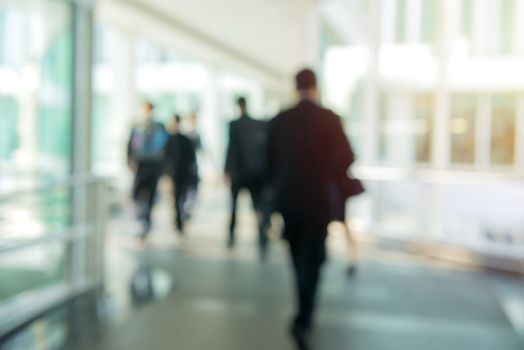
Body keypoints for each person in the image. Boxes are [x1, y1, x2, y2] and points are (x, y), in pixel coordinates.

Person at [267, 69, 354, 344]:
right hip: (319, 198)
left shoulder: (281, 120)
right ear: (316, 87)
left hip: (290, 198)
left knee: (296, 255)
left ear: (295, 88)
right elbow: (348, 156)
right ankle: (307, 309)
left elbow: (268, 161)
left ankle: (302, 304)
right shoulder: (330, 119)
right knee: (315, 255)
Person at [225, 96, 271, 259]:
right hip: (253, 173)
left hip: (239, 173)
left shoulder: (234, 125)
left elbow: (231, 149)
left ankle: (231, 236)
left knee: (234, 207)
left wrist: (227, 169)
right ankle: (262, 237)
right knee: (257, 207)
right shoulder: (257, 124)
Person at [127, 101, 169, 240]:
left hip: (154, 164)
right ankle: (141, 218)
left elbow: (165, 147)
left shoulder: (159, 126)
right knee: (136, 193)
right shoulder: (137, 125)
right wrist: (130, 160)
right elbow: (130, 145)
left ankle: (146, 220)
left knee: (151, 193)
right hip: (142, 164)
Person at [164, 114, 198, 234]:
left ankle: (180, 219)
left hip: (182, 172)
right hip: (175, 173)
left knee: (181, 195)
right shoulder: (170, 139)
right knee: (177, 196)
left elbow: (191, 157)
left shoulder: (183, 139)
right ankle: (178, 219)